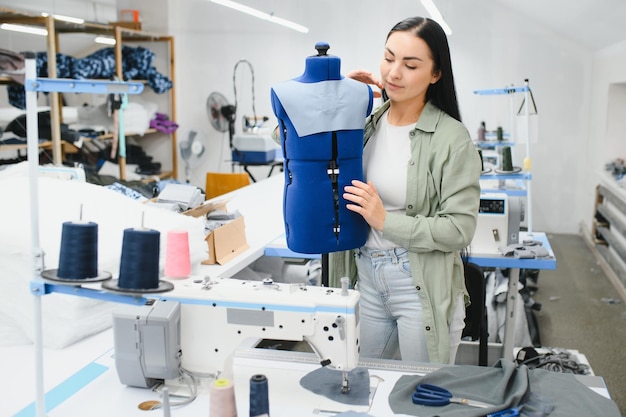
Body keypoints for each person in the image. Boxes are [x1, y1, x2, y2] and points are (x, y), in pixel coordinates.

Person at [329, 16, 482, 364]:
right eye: (388, 57)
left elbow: (459, 229)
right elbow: (291, 144)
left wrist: (384, 220)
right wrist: (332, 96)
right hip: (366, 276)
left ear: (435, 74)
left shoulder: (452, 139)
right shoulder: (365, 123)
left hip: (420, 284)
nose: (393, 72)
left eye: (410, 65)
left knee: (419, 398)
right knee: (365, 385)